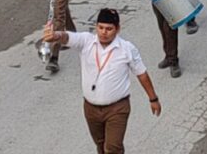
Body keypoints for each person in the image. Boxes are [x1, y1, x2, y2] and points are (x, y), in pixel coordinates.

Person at [42, 8, 160, 154]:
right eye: (101, 27)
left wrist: (153, 99)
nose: (104, 32)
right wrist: (55, 35)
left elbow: (142, 74)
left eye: (109, 29)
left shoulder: (127, 49)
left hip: (117, 109)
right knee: (101, 145)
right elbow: (67, 37)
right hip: (91, 109)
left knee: (112, 148)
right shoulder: (86, 41)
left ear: (117, 29)